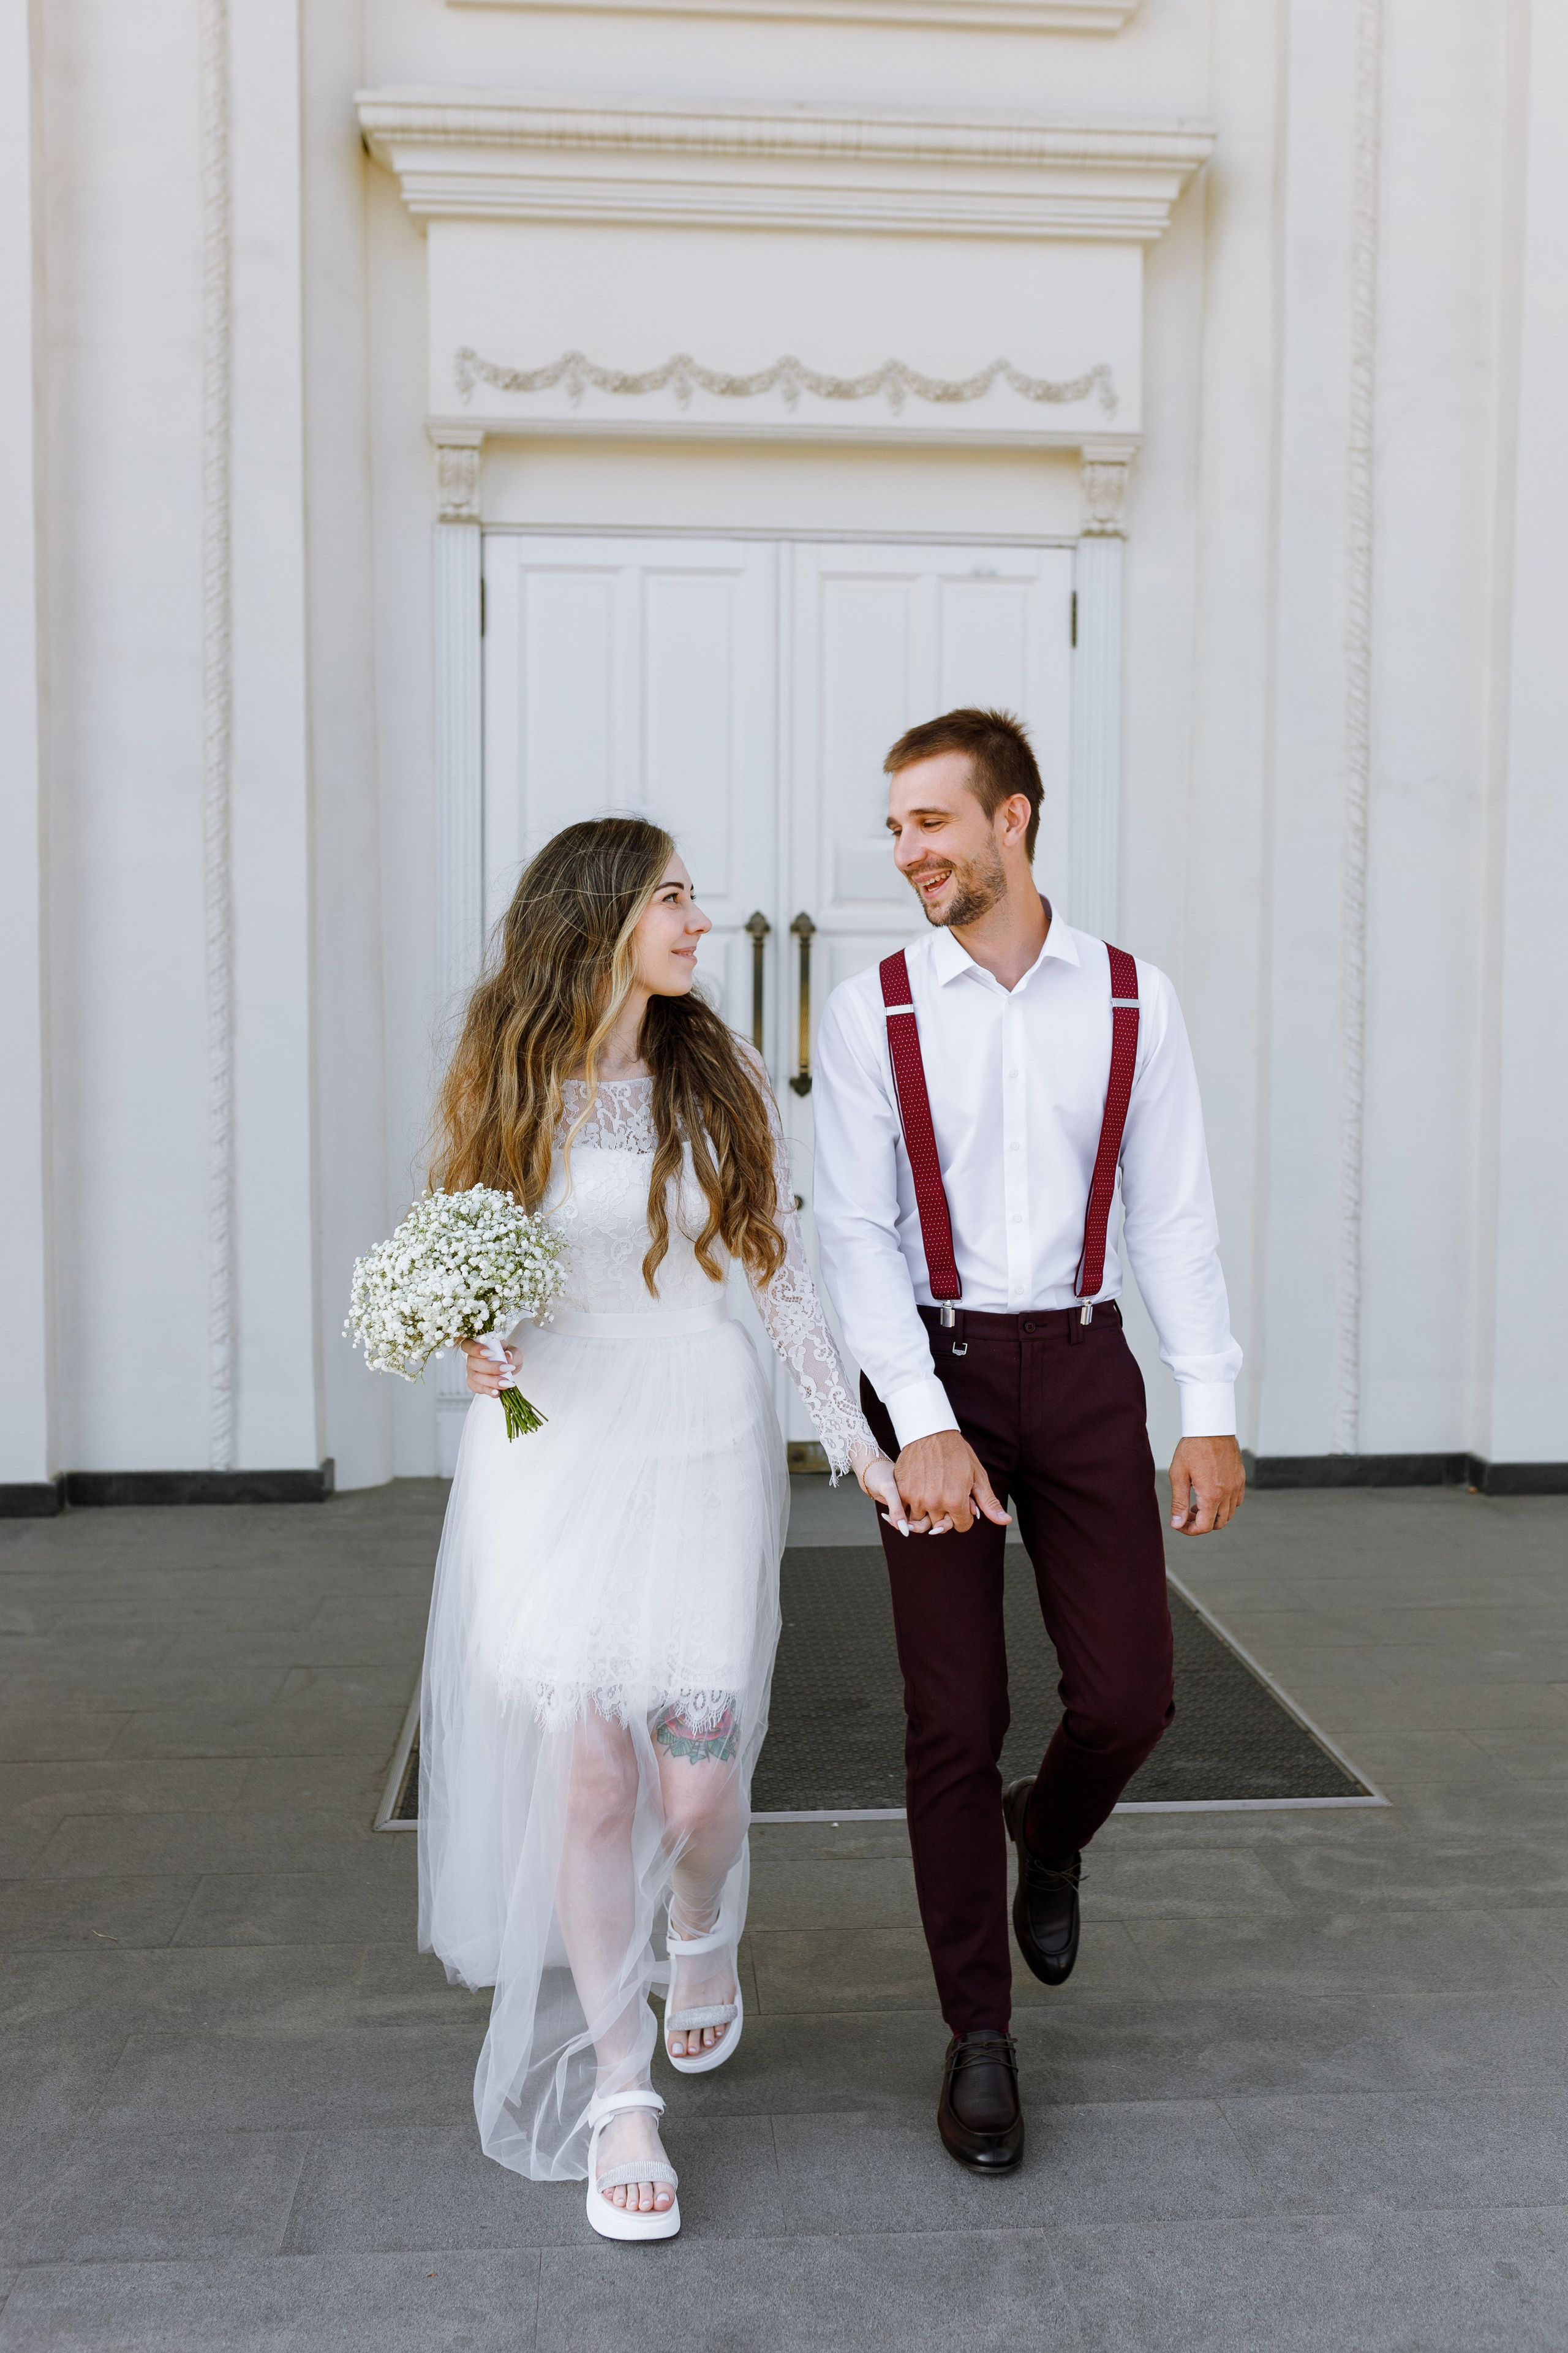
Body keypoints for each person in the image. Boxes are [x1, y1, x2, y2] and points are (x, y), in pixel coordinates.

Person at [420, 816, 899, 2240]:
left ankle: (699, 1923)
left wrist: (855, 1443)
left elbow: (777, 1271)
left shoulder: (720, 1070)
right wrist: (473, 1342)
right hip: (555, 1452)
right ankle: (620, 2091)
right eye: (673, 897)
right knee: (588, 1784)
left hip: (697, 1439)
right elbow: (467, 1260)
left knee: (694, 1793)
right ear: (602, 919)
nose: (699, 919)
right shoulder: (511, 1073)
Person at [811, 708, 1245, 2174]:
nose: (905, 851)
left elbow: (1172, 1213)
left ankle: (1046, 1832)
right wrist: (923, 1425)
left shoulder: (1131, 999)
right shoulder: (871, 1009)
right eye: (893, 827)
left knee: (1129, 1697)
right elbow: (851, 1232)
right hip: (924, 1359)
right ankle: (976, 2034)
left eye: (929, 821)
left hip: (1079, 1364)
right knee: (951, 1715)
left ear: (1014, 817)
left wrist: (1208, 1407)